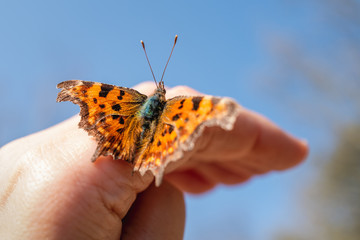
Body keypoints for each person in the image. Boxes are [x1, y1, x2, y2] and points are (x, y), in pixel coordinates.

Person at [0, 82, 308, 239]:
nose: (159, 93)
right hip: (145, 134)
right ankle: (132, 150)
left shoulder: (137, 98)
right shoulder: (173, 105)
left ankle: (127, 148)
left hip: (132, 132)